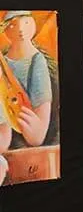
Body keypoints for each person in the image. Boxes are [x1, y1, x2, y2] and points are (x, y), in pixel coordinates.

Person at [0, 11, 57, 152]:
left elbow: (41, 100)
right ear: (5, 29)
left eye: (25, 22)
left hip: (26, 125)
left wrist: (38, 127)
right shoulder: (3, 61)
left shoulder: (37, 61)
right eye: (13, 25)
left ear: (32, 23)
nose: (20, 29)